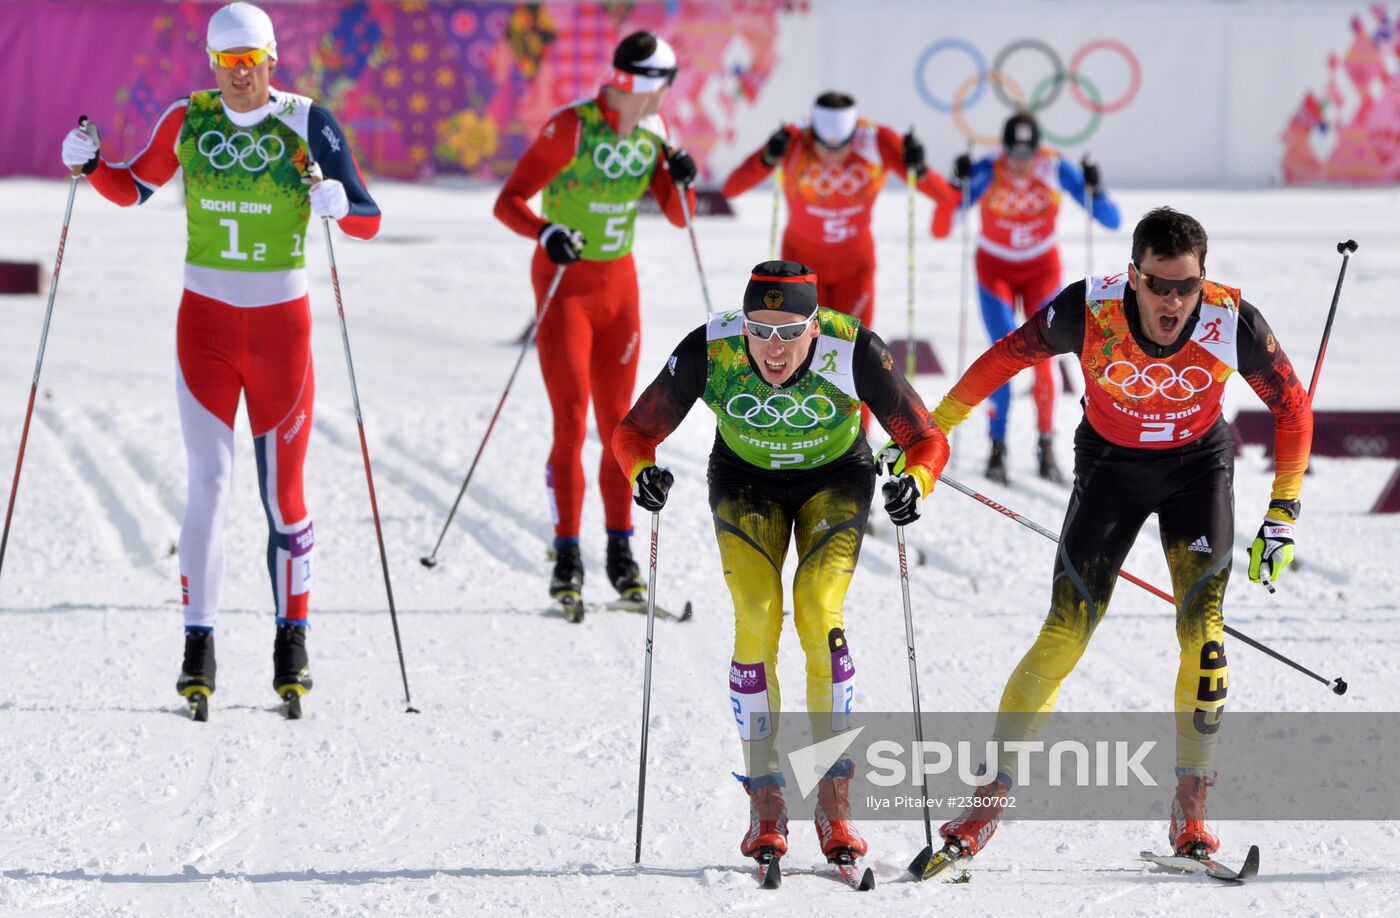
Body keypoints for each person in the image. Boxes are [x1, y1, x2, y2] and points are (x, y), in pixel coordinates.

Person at [917, 207, 1312, 870]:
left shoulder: (1230, 320)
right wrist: (936, 428)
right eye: (1158, 285)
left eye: (1186, 287)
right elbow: (1010, 353)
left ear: (1202, 282)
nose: (1173, 302)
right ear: (1132, 276)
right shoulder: (1090, 309)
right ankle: (986, 804)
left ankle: (1191, 818)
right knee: (1064, 633)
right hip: (1111, 467)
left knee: (1205, 640)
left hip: (1196, 469)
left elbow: (1293, 409)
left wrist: (1283, 514)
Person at [60, 1, 381, 718]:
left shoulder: (309, 121)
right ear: (212, 63)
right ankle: (197, 647)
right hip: (203, 327)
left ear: (271, 58)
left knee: (282, 499)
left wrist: (338, 204)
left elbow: (368, 218)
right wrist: (89, 167)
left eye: (251, 62)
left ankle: (290, 642)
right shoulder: (187, 119)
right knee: (207, 486)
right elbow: (133, 185)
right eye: (226, 63)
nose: (239, 76)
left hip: (280, 333)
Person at [613, 261, 950, 869]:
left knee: (821, 611)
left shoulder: (854, 349)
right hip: (745, 484)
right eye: (758, 330)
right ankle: (765, 801)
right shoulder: (710, 350)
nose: (772, 348)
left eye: (789, 331)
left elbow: (927, 439)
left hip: (835, 480)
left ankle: (833, 800)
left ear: (814, 326)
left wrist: (916, 482)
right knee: (756, 616)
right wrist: (643, 473)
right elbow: (633, 432)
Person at [494, 30, 697, 614]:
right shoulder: (572, 127)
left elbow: (680, 216)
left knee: (621, 425)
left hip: (619, 290)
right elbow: (509, 200)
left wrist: (683, 175)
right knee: (571, 421)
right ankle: (566, 554)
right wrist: (547, 232)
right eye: (667, 83)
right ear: (645, 84)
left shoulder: (656, 132)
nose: (667, 96)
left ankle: (619, 550)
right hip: (566, 289)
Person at [938, 111, 1121, 485]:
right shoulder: (989, 169)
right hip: (996, 273)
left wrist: (1096, 188)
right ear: (1003, 149)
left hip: (1041, 272)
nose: (1020, 165)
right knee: (1005, 353)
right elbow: (941, 227)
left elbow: (1111, 220)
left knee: (1044, 357)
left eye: (1027, 155)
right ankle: (997, 446)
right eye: (1014, 155)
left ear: (1037, 150)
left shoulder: (1054, 167)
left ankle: (1046, 445)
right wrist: (955, 186)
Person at [722, 92, 958, 327]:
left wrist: (919, 168)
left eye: (842, 145)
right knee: (804, 352)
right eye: (824, 146)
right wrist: (767, 158)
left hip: (854, 267)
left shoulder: (878, 141)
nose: (833, 155)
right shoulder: (793, 139)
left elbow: (943, 195)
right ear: (813, 133)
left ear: (854, 134)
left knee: (852, 350)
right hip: (801, 267)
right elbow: (732, 188)